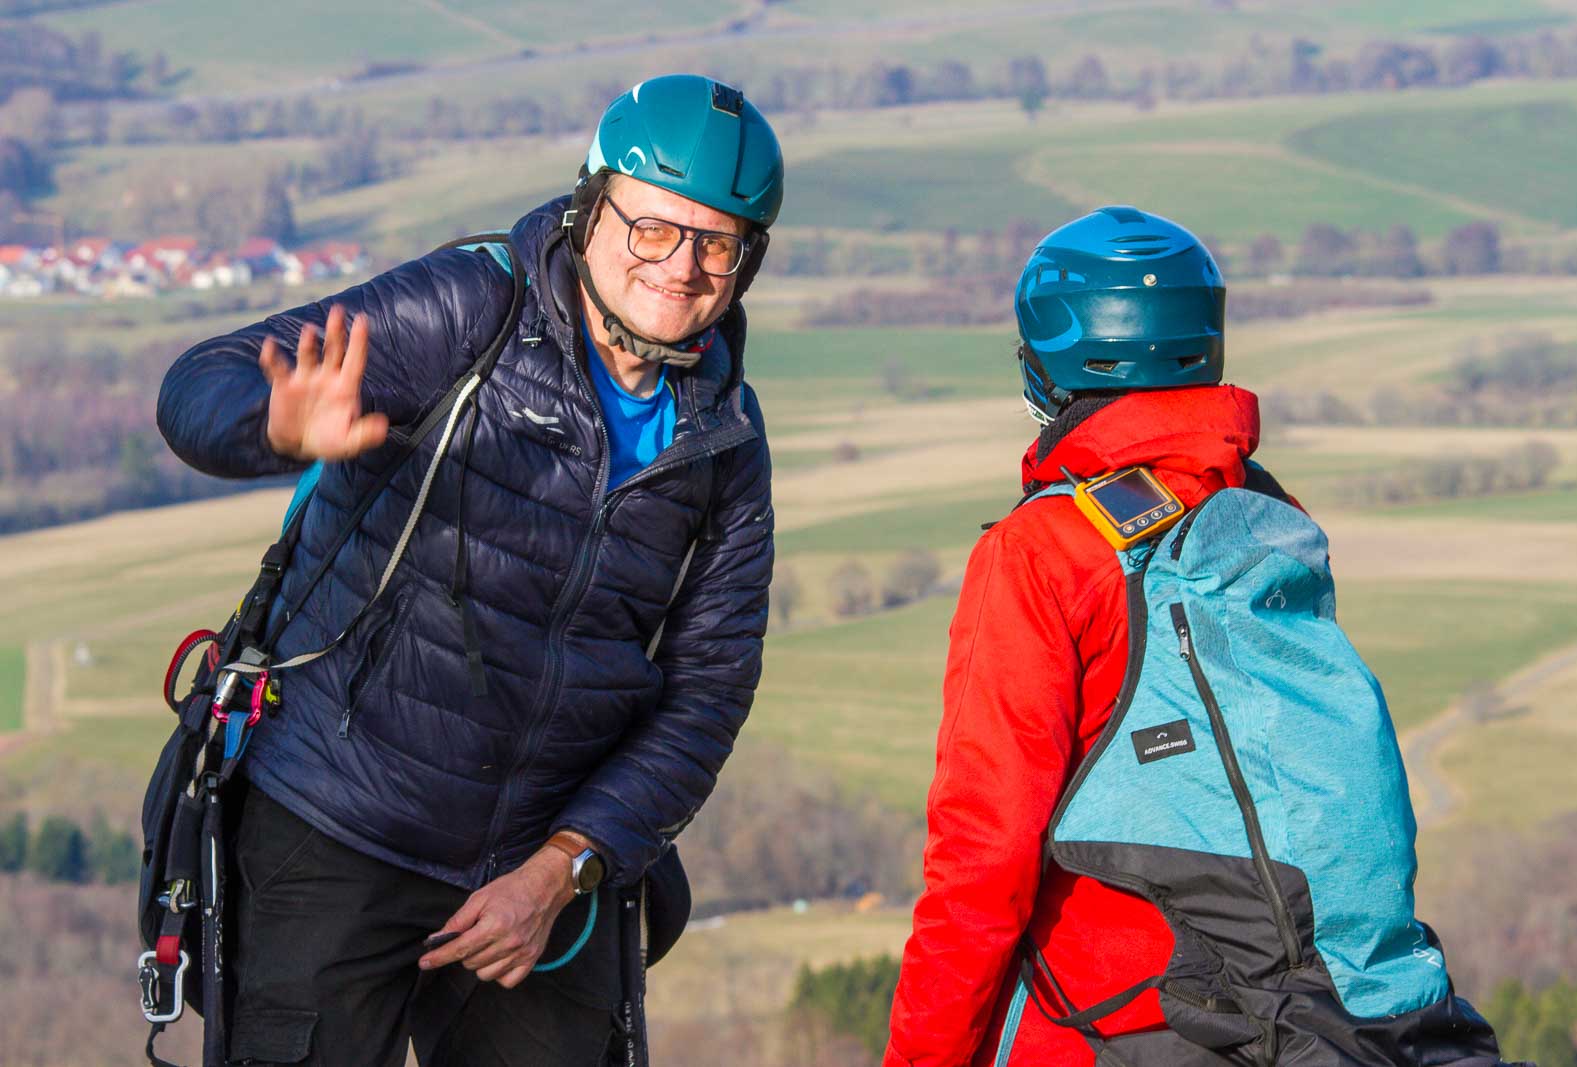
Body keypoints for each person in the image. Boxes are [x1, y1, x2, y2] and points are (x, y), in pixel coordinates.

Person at [156, 73, 782, 1066]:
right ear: (590, 209)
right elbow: (200, 383)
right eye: (653, 228)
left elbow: (707, 695)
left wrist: (563, 866)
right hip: (334, 812)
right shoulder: (471, 311)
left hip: (536, 868)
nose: (680, 266)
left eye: (717, 244)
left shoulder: (725, 441)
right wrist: (274, 425)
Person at [883, 207, 1506, 1066]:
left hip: (1104, 1025)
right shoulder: (1258, 508)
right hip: (1290, 1017)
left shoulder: (1039, 552)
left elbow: (980, 861)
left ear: (1046, 368)